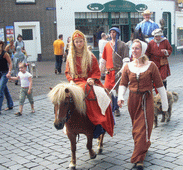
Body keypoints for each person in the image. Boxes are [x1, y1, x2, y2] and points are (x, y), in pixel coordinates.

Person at [117, 39, 168, 170]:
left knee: (143, 127)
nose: (134, 51)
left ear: (143, 50)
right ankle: (143, 146)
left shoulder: (151, 66)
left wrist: (165, 103)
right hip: (133, 100)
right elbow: (123, 83)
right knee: (136, 128)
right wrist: (121, 96)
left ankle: (138, 159)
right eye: (132, 48)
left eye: (137, 48)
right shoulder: (128, 66)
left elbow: (160, 85)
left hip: (146, 99)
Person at [65, 30, 114, 138]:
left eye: (81, 41)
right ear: (73, 43)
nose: (79, 44)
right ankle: (66, 122)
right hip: (75, 82)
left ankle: (98, 121)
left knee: (99, 95)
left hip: (89, 81)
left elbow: (96, 71)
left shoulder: (90, 56)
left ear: (84, 42)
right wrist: (71, 80)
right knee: (64, 97)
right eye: (76, 42)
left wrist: (92, 78)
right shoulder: (70, 57)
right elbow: (68, 72)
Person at [100, 27, 129, 117]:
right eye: (111, 32)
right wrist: (101, 68)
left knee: (117, 91)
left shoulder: (122, 45)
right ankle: (111, 106)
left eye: (114, 32)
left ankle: (116, 109)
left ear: (117, 33)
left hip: (118, 71)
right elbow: (104, 58)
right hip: (109, 72)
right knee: (108, 90)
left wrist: (123, 69)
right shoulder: (107, 45)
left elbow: (126, 58)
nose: (112, 34)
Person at [0, 41, 14, 114]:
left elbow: (10, 63)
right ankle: (10, 104)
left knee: (0, 90)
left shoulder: (4, 54)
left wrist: (9, 72)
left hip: (4, 73)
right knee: (4, 89)